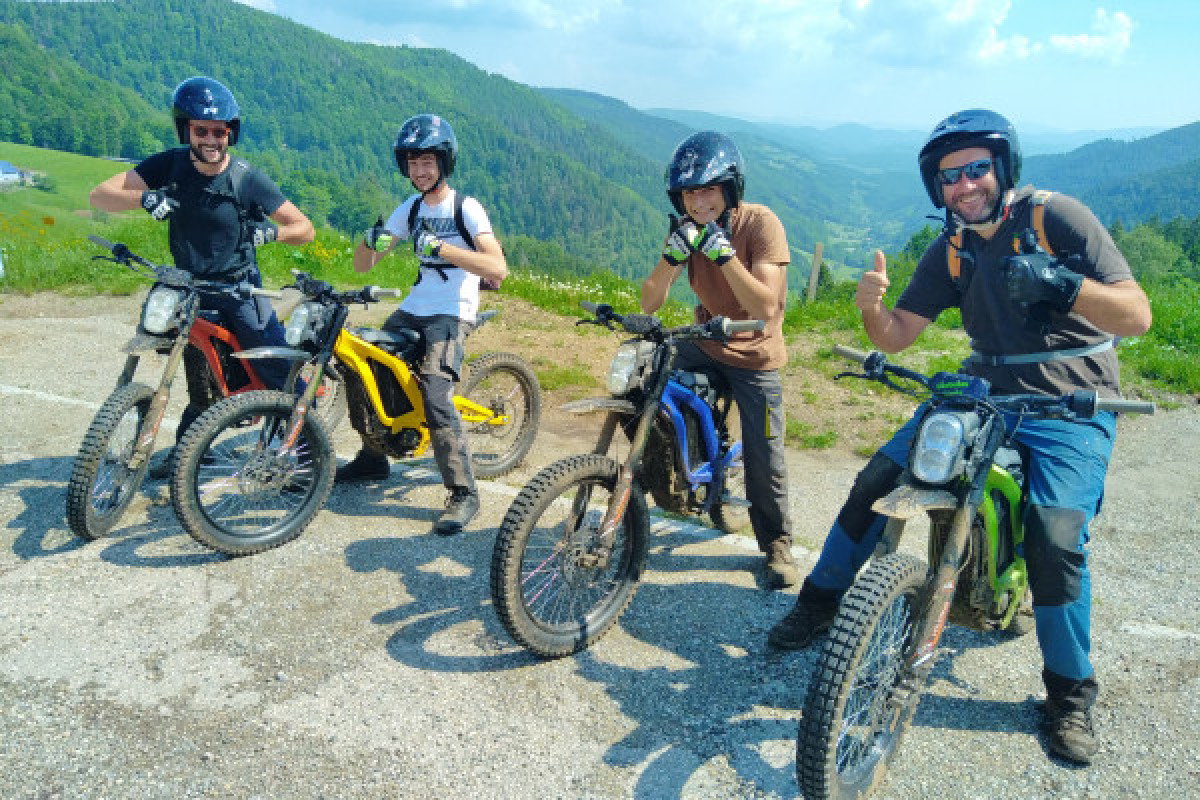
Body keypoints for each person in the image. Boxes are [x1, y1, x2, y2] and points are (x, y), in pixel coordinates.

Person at [766, 109, 1152, 765]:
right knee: (876, 481)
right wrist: (870, 306)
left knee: (1056, 537)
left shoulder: (1055, 218)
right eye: (950, 176)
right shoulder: (952, 247)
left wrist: (1061, 283)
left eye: (977, 169)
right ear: (936, 187)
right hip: (982, 392)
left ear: (1002, 169)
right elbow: (896, 336)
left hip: (1070, 401)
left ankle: (1068, 695)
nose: (965, 184)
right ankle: (821, 601)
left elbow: (1136, 315)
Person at [89, 75, 314, 476]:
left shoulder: (246, 179)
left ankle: (304, 450)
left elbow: (305, 229)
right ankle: (190, 450)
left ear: (230, 133)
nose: (211, 140)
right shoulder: (169, 165)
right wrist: (145, 197)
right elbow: (100, 196)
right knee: (196, 368)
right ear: (186, 130)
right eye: (201, 131)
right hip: (188, 286)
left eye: (219, 132)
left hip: (239, 288)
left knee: (274, 365)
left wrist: (271, 233)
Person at [336, 113, 507, 537]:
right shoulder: (409, 209)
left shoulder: (465, 207)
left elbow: (497, 268)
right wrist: (370, 241)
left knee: (435, 390)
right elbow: (363, 265)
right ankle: (373, 456)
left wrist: (443, 249)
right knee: (365, 367)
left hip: (453, 310)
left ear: (444, 163)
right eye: (412, 163)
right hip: (415, 307)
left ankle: (463, 492)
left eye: (427, 161)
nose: (419, 171)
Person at [640, 131, 797, 589]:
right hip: (707, 340)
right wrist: (671, 256)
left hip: (755, 352)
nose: (699, 201)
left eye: (708, 190)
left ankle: (777, 543)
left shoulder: (760, 224)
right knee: (642, 381)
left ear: (730, 189)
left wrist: (724, 255)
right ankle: (670, 471)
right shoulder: (686, 229)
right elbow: (650, 302)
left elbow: (766, 306)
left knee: (765, 454)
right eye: (690, 193)